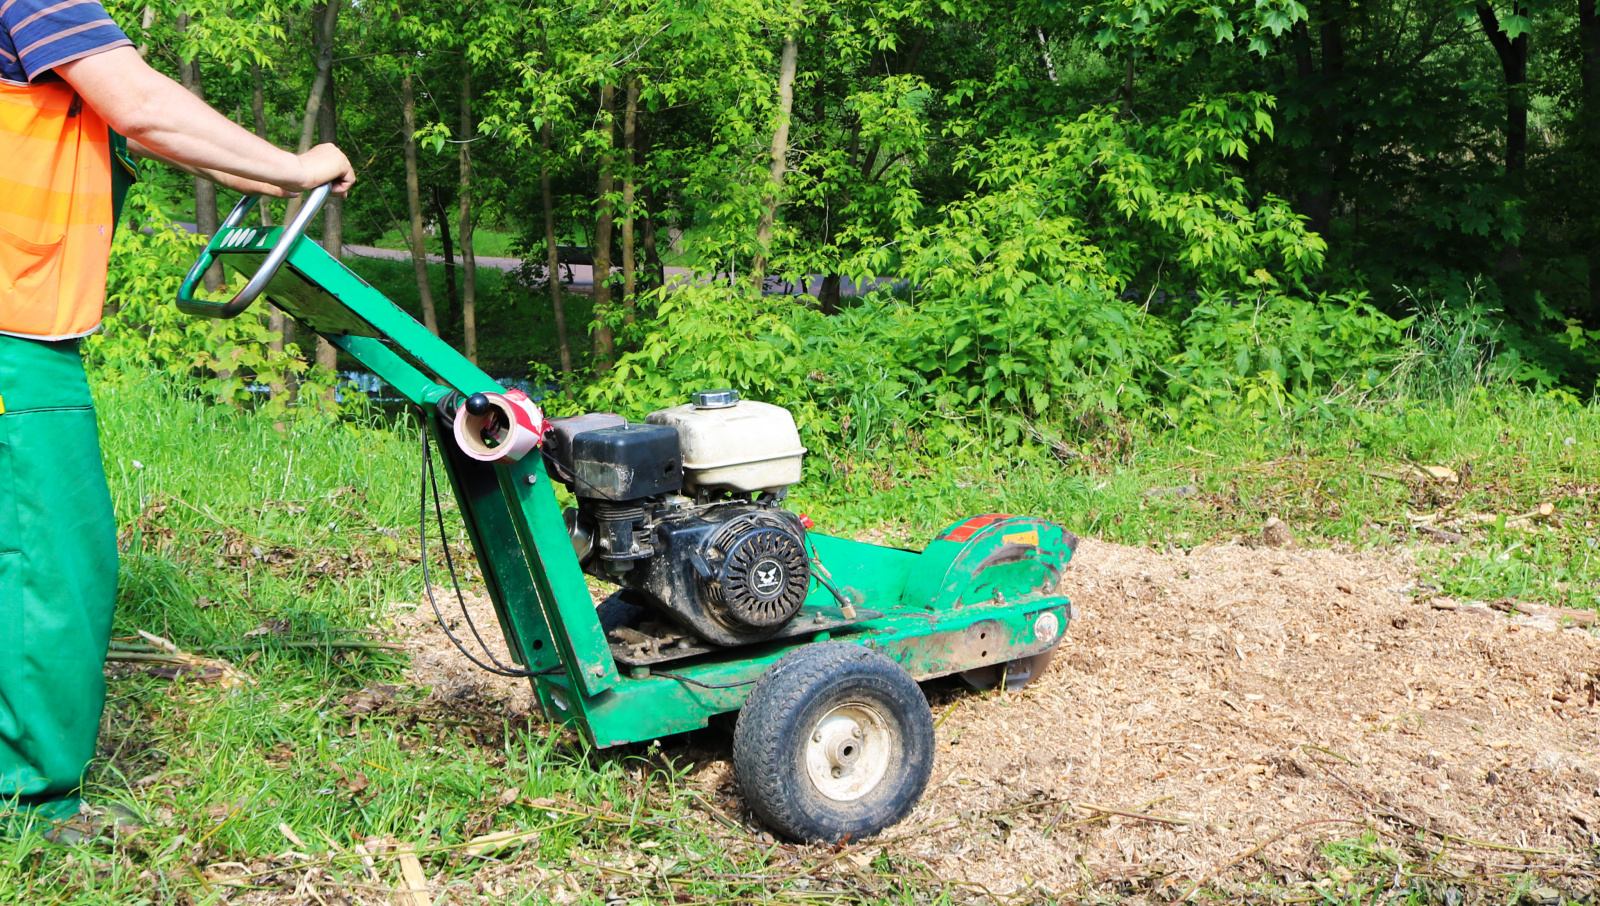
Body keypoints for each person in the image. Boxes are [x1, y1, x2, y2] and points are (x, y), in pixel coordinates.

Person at [0, 0, 355, 839]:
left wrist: (276, 176)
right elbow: (143, 105)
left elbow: (149, 130)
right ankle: (27, 803)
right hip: (15, 327)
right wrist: (297, 165)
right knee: (52, 560)